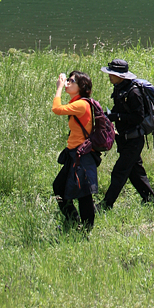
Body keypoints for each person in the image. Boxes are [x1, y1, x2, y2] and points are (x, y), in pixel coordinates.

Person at [98, 58, 154, 209]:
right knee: (135, 172)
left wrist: (116, 117)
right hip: (124, 139)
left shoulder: (134, 92)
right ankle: (150, 200)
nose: (109, 76)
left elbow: (138, 117)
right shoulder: (119, 88)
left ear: (121, 75)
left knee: (119, 172)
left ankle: (106, 204)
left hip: (134, 140)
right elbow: (120, 109)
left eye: (112, 73)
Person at [52, 70, 99, 231]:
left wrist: (58, 88)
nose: (67, 83)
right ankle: (73, 221)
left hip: (82, 155)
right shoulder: (77, 102)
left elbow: (57, 109)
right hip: (74, 154)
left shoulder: (81, 104)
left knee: (84, 193)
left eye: (72, 81)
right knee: (60, 187)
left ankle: (86, 229)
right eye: (68, 80)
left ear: (81, 86)